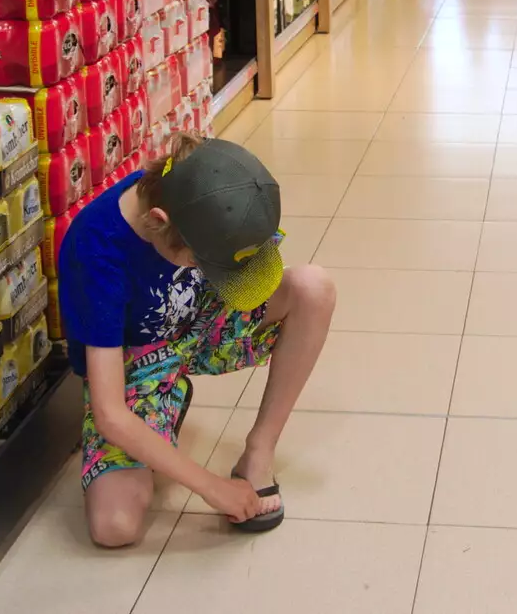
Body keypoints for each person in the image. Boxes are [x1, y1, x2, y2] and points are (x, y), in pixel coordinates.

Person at [58, 133, 336, 546]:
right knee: (114, 526)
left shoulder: (210, 189)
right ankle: (168, 402)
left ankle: (259, 449)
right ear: (158, 221)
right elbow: (110, 414)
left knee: (314, 288)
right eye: (198, 262)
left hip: (200, 323)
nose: (203, 268)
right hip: (138, 364)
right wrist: (209, 486)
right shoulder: (96, 252)